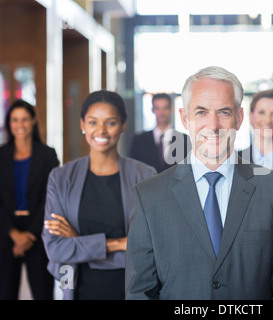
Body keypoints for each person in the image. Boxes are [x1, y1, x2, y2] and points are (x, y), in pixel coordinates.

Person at [125, 66, 273, 300]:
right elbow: (140, 293)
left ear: (239, 118)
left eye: (223, 112)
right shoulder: (149, 196)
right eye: (201, 112)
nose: (213, 125)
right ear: (184, 117)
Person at [42, 90, 156, 300]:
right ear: (82, 124)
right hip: (78, 289)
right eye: (93, 122)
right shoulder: (60, 178)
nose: (101, 130)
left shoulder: (146, 176)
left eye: (110, 122)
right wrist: (119, 243)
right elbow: (56, 249)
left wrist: (80, 243)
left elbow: (150, 249)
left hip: (131, 290)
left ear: (123, 125)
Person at [0, 99, 59, 300]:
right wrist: (13, 233)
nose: (20, 125)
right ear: (9, 123)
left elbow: (50, 197)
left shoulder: (48, 155)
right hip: (6, 232)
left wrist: (29, 236)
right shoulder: (1, 155)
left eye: (25, 119)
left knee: (43, 293)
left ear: (33, 121)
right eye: (15, 120)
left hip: (38, 231)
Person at [129, 93, 191, 173]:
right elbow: (132, 170)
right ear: (152, 110)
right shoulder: (139, 141)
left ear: (171, 110)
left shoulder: (185, 140)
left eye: (165, 108)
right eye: (157, 108)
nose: (161, 113)